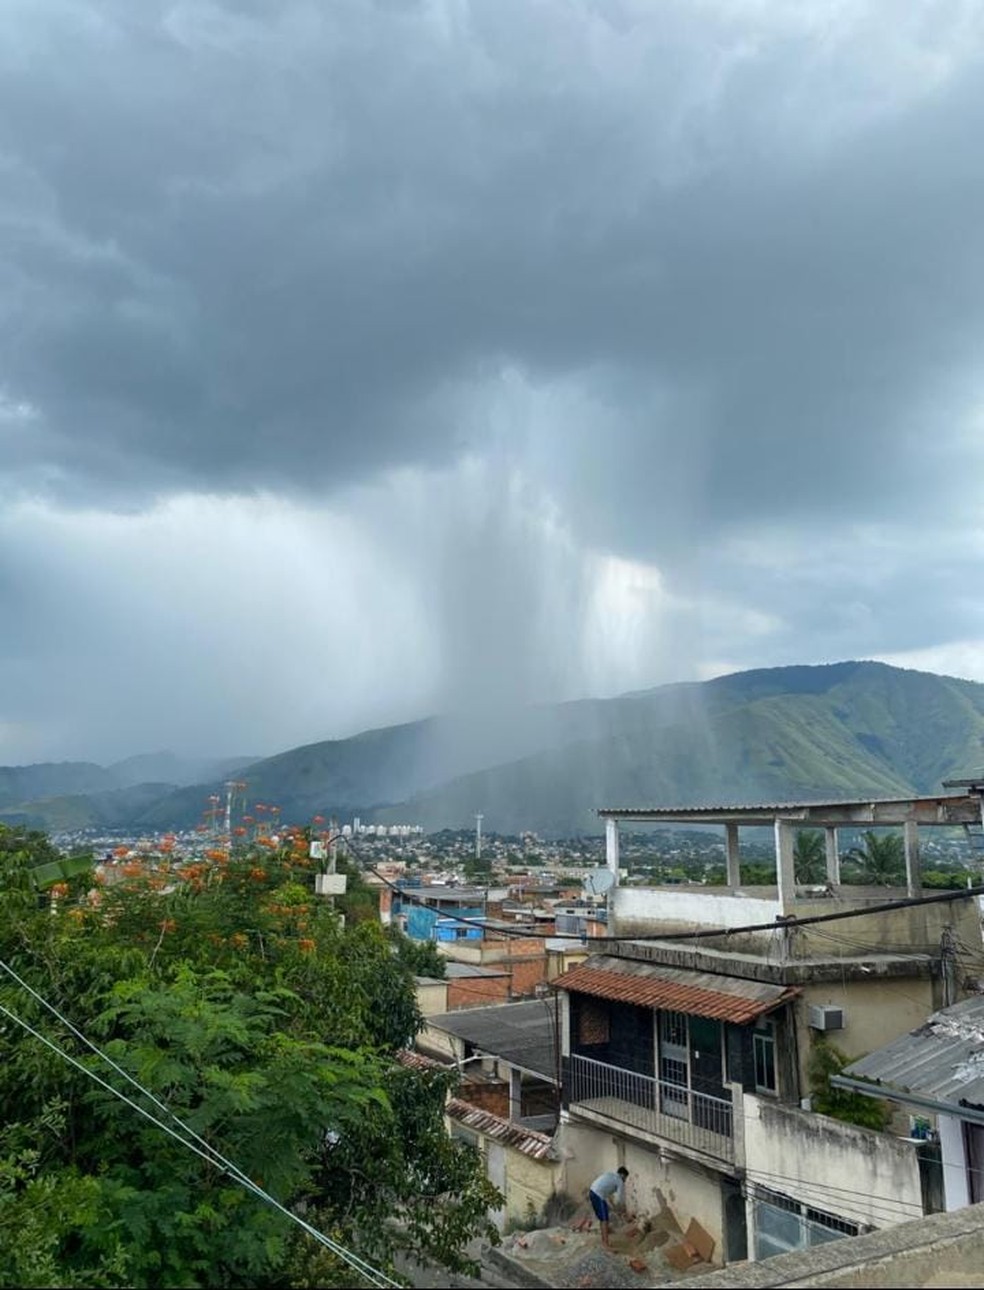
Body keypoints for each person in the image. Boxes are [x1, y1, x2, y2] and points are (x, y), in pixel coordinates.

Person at [588, 1166, 630, 1249]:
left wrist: (613, 1207)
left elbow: (608, 1196)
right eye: (625, 1178)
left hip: (592, 1191)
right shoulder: (619, 1181)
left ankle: (606, 1235)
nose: (625, 1181)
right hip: (598, 1195)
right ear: (622, 1175)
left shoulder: (610, 1174)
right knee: (604, 1220)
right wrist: (624, 1212)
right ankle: (605, 1243)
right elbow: (620, 1200)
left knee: (603, 1218)